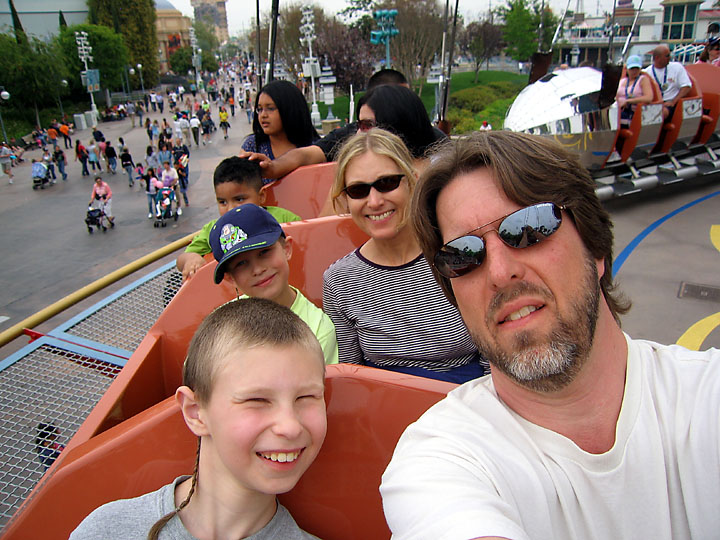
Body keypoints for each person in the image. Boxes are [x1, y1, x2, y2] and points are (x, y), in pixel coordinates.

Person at [380, 130, 720, 539]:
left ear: (595, 247)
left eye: (529, 227)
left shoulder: (706, 398)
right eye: (463, 255)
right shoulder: (441, 459)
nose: (500, 272)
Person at [69, 298, 326, 540]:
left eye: (307, 397)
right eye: (257, 400)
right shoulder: (106, 530)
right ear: (195, 412)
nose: (290, 427)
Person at [323, 128, 486, 383]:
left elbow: (493, 353)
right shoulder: (339, 281)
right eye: (358, 190)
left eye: (387, 183)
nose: (374, 201)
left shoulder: (455, 252)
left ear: (412, 181)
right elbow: (352, 378)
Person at [240, 70, 443, 180]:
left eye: (368, 125)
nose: (360, 133)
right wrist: (273, 167)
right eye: (358, 190)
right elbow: (307, 154)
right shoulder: (353, 143)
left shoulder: (437, 158)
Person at [209, 205, 339, 365]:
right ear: (231, 278)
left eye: (264, 252)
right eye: (241, 263)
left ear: (286, 249)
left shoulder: (318, 330)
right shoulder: (220, 324)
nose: (257, 270)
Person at [176, 157, 301, 282]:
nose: (230, 209)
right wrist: (191, 259)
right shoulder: (214, 230)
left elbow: (302, 246)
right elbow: (182, 258)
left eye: (239, 199)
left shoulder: (284, 218)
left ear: (261, 195)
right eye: (223, 202)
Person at [241, 80, 319, 181]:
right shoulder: (253, 146)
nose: (263, 115)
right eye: (259, 109)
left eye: (270, 108)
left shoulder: (315, 148)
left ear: (290, 109)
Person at [644, 44, 692, 120]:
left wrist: (673, 101)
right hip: (653, 104)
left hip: (670, 104)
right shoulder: (646, 73)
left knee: (660, 113)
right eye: (667, 56)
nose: (670, 57)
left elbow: (686, 86)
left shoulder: (677, 67)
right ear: (657, 58)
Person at [616, 55, 653, 127]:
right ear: (627, 69)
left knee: (619, 118)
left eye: (637, 69)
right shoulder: (622, 81)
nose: (634, 71)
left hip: (634, 112)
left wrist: (628, 101)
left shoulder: (643, 79)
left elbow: (649, 98)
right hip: (619, 109)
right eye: (632, 69)